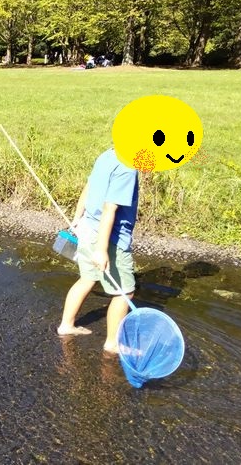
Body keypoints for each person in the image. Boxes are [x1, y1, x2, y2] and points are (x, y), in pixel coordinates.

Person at [56, 147, 138, 353]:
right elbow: (110, 209)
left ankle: (66, 325)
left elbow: (89, 185)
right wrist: (101, 249)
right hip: (109, 236)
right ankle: (112, 344)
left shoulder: (107, 154)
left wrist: (77, 217)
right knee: (124, 292)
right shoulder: (128, 166)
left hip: (87, 227)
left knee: (87, 278)